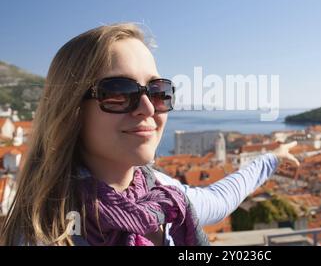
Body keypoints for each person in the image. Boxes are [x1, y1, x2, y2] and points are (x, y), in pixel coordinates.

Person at [0, 23, 299, 246]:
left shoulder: (162, 196)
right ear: (72, 110)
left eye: (158, 91)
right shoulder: (43, 234)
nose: (147, 108)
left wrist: (272, 158)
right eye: (118, 92)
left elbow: (218, 198)